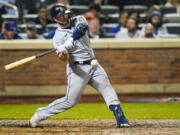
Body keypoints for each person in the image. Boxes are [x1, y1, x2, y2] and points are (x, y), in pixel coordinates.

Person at [29, 4, 130, 128]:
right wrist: (63, 51)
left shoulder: (79, 19)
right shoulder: (57, 37)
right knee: (70, 101)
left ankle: (120, 116)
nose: (64, 17)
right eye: (60, 16)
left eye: (64, 14)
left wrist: (71, 39)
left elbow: (82, 28)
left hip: (93, 64)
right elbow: (63, 59)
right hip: (77, 69)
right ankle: (41, 113)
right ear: (55, 19)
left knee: (106, 87)